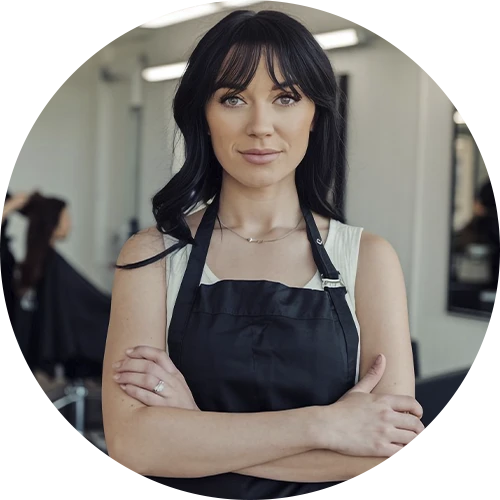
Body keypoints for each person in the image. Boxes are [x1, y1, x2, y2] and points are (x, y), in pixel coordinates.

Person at [102, 9, 424, 499]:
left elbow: (388, 453)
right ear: (203, 115)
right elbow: (134, 445)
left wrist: (193, 428)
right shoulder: (153, 254)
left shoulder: (369, 259)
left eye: (285, 98)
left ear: (315, 114)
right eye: (233, 98)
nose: (260, 126)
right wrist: (326, 425)